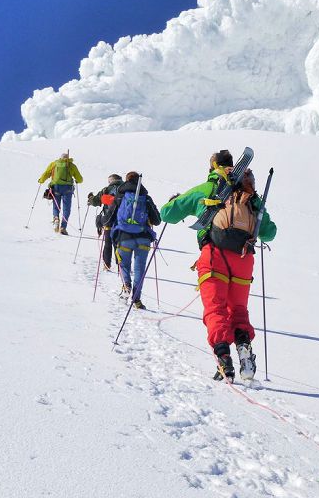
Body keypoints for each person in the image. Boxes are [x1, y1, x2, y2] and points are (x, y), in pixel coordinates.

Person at [160, 149, 276, 381]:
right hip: (244, 258)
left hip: (214, 255)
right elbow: (269, 232)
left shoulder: (207, 188)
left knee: (216, 308)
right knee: (239, 310)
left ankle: (224, 358)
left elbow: (166, 214)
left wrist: (176, 202)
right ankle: (244, 349)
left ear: (213, 166)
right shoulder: (248, 191)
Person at [101, 172, 161, 309]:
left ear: (126, 181)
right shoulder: (146, 198)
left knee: (124, 265)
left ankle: (126, 286)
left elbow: (109, 218)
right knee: (140, 270)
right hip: (143, 239)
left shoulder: (120, 196)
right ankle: (137, 300)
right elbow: (157, 220)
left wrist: (101, 221)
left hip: (124, 237)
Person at [37, 152, 83, 235]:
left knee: (56, 205)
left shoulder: (54, 164)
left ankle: (56, 218)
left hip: (56, 187)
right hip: (68, 189)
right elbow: (80, 179)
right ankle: (63, 227)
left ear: (60, 158)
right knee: (66, 208)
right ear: (68, 158)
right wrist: (77, 181)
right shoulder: (71, 165)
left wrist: (41, 180)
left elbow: (47, 173)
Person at [88, 174, 123, 271]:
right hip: (122, 221)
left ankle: (106, 265)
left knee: (107, 243)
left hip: (108, 219)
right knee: (118, 243)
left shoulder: (106, 189)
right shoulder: (125, 189)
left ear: (112, 181)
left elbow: (95, 201)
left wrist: (90, 199)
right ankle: (120, 265)